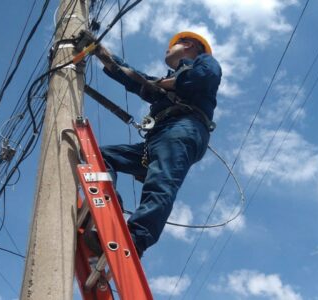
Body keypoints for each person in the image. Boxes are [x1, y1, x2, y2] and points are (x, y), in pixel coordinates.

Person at [92, 31, 222, 257]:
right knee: (101, 157)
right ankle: (109, 207)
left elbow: (205, 76)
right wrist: (104, 55)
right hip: (159, 136)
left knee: (161, 182)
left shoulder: (202, 62)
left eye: (172, 46)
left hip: (183, 127)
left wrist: (167, 83)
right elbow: (136, 80)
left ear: (188, 44)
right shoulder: (166, 83)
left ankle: (136, 238)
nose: (166, 50)